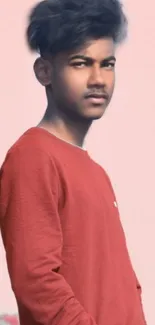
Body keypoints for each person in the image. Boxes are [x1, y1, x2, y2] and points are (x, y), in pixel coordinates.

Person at [0, 0, 146, 324]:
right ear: (45, 72)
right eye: (81, 63)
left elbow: (119, 286)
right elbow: (37, 282)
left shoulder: (97, 173)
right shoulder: (31, 157)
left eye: (107, 64)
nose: (99, 78)